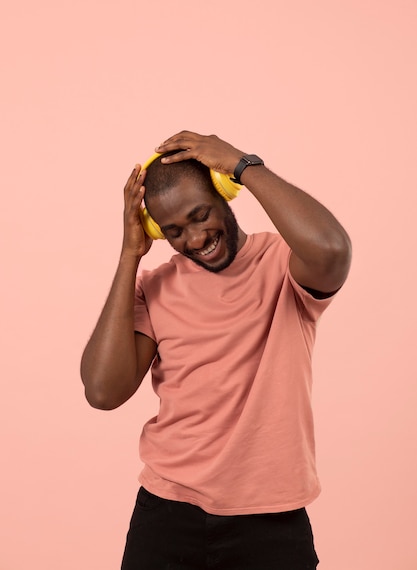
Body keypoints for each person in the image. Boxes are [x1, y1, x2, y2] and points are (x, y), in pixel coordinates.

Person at [80, 131, 351, 569]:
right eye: (173, 231)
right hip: (168, 514)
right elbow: (102, 391)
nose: (193, 238)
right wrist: (131, 252)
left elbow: (333, 248)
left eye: (200, 214)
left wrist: (242, 164)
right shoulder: (154, 287)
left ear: (224, 193)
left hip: (271, 519)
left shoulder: (283, 264)